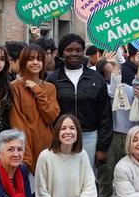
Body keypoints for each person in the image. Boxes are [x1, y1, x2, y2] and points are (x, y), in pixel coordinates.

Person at [47, 35, 110, 167]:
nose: (74, 53)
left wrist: (102, 148)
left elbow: (105, 114)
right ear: (62, 53)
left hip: (89, 136)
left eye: (78, 50)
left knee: (87, 177)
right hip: (62, 136)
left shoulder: (96, 78)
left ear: (82, 52)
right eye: (69, 50)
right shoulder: (53, 80)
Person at [95, 58, 139, 197]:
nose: (116, 72)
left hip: (129, 136)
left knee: (129, 181)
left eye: (118, 69)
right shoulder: (105, 90)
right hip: (111, 136)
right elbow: (114, 90)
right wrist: (114, 71)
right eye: (111, 71)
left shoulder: (130, 89)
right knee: (106, 182)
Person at [8, 44, 60, 176]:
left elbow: (51, 117)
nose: (35, 62)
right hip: (25, 145)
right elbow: (17, 121)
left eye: (39, 59)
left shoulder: (50, 88)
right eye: (31, 59)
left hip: (46, 144)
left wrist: (38, 92)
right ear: (24, 61)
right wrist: (25, 153)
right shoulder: (15, 87)